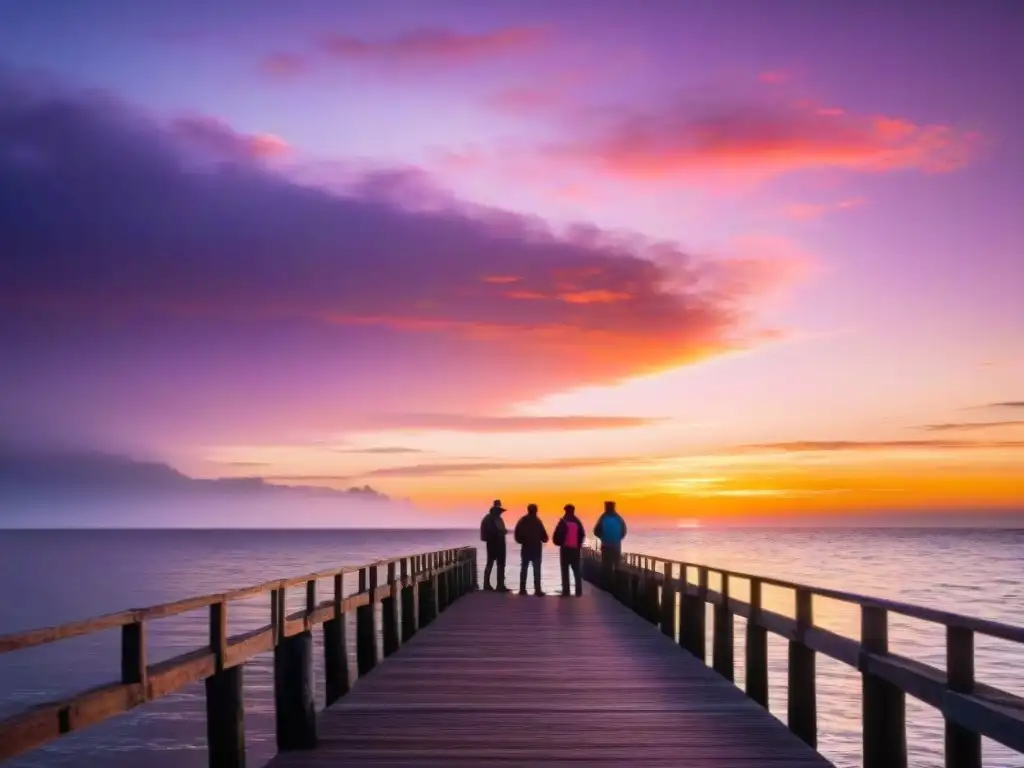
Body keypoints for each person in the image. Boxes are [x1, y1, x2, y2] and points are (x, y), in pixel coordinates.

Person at [513, 503, 549, 596]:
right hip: (535, 549)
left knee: (524, 569)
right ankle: (537, 590)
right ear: (535, 511)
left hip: (526, 548)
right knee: (536, 570)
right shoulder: (538, 521)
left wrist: (521, 540)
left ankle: (522, 589)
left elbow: (516, 534)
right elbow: (545, 537)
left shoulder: (523, 520)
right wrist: (543, 538)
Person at [552, 504, 586, 596]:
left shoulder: (563, 521)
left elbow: (556, 535)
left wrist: (560, 543)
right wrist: (578, 545)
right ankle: (578, 592)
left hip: (565, 549)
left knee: (565, 570)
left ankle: (566, 591)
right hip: (575, 550)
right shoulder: (577, 522)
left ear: (565, 510)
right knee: (576, 570)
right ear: (573, 511)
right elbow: (582, 534)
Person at [593, 500, 627, 590]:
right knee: (617, 566)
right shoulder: (618, 518)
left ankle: (606, 587)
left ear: (606, 507)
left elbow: (595, 531)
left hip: (606, 545)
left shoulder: (603, 517)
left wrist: (602, 537)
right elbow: (624, 531)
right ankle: (617, 587)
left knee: (605, 567)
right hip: (616, 546)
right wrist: (618, 538)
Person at [480, 499, 509, 592]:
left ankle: (495, 585)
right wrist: (501, 532)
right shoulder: (491, 519)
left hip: (495, 544)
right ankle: (494, 585)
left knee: (494, 564)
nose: (500, 513)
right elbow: (493, 531)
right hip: (495, 544)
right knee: (496, 564)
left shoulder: (491, 518)